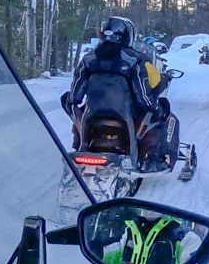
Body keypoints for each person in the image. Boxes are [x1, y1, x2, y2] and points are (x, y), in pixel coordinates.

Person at [62, 17, 173, 166]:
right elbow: (143, 96)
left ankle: (79, 143)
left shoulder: (88, 60)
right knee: (156, 112)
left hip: (93, 113)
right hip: (127, 115)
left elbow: (75, 95)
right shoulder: (136, 60)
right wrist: (158, 109)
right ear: (128, 35)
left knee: (75, 109)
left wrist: (69, 102)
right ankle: (153, 158)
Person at [101, 208, 200, 264]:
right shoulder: (132, 230)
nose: (149, 212)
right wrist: (96, 252)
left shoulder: (185, 238)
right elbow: (116, 253)